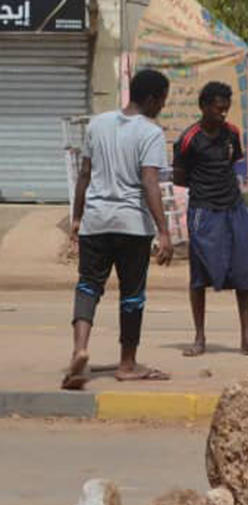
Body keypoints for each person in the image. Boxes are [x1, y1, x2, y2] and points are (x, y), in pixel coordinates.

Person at [62, 69, 174, 390]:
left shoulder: (98, 124)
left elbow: (84, 174)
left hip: (95, 221)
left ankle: (80, 349)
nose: (162, 107)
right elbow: (149, 181)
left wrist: (76, 217)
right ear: (152, 99)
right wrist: (164, 231)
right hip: (131, 226)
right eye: (162, 101)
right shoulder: (150, 133)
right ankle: (127, 364)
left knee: (88, 286)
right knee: (132, 294)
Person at [173, 81, 248, 358]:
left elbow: (233, 163)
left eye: (226, 109)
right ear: (203, 107)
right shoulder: (189, 138)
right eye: (218, 109)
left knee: (243, 273)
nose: (223, 114)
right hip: (203, 211)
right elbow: (180, 176)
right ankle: (199, 337)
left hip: (234, 208)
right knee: (199, 275)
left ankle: (247, 338)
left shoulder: (232, 134)